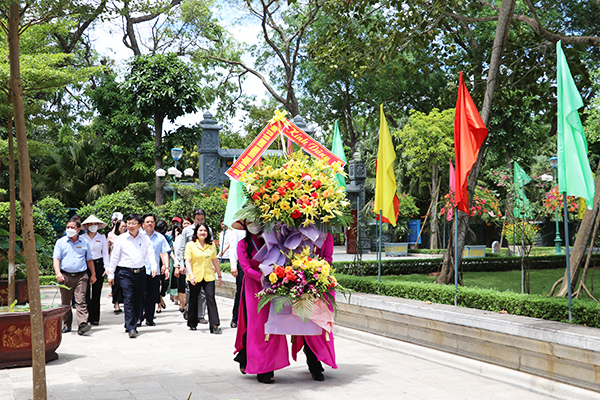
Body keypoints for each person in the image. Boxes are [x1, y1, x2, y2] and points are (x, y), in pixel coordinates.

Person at [233, 220, 289, 384]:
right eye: (250, 222)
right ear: (244, 225)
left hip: (272, 287)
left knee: (272, 325)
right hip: (253, 289)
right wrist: (262, 278)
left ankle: (269, 366)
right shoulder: (242, 244)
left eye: (256, 221)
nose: (254, 224)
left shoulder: (270, 239)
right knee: (257, 328)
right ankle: (260, 367)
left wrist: (277, 276)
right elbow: (246, 268)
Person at [290, 233, 337, 381]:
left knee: (320, 325)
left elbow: (328, 258)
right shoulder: (295, 233)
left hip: (320, 283)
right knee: (307, 323)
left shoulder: (326, 235)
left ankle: (317, 355)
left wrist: (315, 269)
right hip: (300, 283)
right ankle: (313, 362)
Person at [106, 213, 157, 338]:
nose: (130, 226)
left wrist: (154, 267)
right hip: (124, 272)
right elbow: (115, 257)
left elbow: (150, 253)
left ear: (140, 225)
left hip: (140, 272)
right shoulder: (121, 239)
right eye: (128, 223)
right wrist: (111, 273)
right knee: (128, 298)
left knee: (138, 299)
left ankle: (131, 322)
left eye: (134, 223)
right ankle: (131, 327)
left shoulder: (145, 239)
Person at [53, 217, 96, 335]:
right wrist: (58, 273)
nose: (69, 229)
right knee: (66, 302)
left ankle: (82, 324)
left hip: (81, 276)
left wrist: (93, 275)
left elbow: (89, 260)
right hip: (65, 276)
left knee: (81, 300)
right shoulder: (60, 242)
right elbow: (56, 259)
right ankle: (67, 324)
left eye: (72, 227)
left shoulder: (84, 242)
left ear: (78, 230)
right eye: (68, 227)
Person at [184, 222, 223, 333]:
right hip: (195, 276)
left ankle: (214, 325)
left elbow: (215, 260)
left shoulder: (211, 245)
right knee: (193, 299)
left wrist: (219, 275)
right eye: (200, 230)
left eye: (205, 230)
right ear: (196, 232)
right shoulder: (191, 245)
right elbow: (188, 261)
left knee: (211, 298)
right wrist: (191, 275)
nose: (203, 233)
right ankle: (192, 322)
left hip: (208, 276)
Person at [176, 209, 209, 323]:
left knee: (203, 292)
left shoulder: (207, 229)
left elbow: (211, 246)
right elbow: (181, 248)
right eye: (197, 219)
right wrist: (180, 264)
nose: (199, 221)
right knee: (190, 289)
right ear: (193, 218)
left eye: (202, 219)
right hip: (190, 265)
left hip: (204, 265)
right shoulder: (187, 230)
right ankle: (190, 310)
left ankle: (200, 315)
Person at [140, 214, 170, 326]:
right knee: (141, 295)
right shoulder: (139, 236)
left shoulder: (160, 237)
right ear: (143, 224)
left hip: (154, 271)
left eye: (152, 222)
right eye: (147, 222)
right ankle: (139, 316)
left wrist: (166, 267)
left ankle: (149, 318)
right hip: (141, 271)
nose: (149, 224)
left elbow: (164, 253)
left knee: (152, 296)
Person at [80, 215, 109, 326]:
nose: (93, 226)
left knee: (96, 292)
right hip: (85, 265)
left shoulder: (101, 238)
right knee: (85, 292)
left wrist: (107, 268)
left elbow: (105, 254)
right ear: (86, 226)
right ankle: (85, 317)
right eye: (91, 224)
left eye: (95, 224)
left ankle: (95, 318)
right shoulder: (82, 238)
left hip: (98, 264)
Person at [228, 224, 246, 329]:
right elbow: (233, 247)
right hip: (242, 265)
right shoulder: (237, 229)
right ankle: (235, 318)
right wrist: (233, 266)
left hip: (256, 264)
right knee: (240, 292)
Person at [173, 216, 192, 312]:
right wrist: (177, 265)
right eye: (184, 223)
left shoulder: (195, 236)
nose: (186, 225)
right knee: (181, 285)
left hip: (193, 265)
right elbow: (177, 252)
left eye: (188, 223)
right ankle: (182, 305)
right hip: (182, 264)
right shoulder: (179, 237)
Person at [108, 219, 127, 314]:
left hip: (125, 264)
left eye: (125, 226)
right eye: (121, 226)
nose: (123, 228)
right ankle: (116, 305)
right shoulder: (112, 237)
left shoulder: (129, 237)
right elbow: (107, 252)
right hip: (114, 264)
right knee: (116, 285)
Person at [155, 220, 172, 314]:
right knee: (156, 284)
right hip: (155, 262)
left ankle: (161, 296)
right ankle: (158, 305)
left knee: (165, 282)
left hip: (165, 262)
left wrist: (166, 265)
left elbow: (167, 251)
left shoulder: (167, 238)